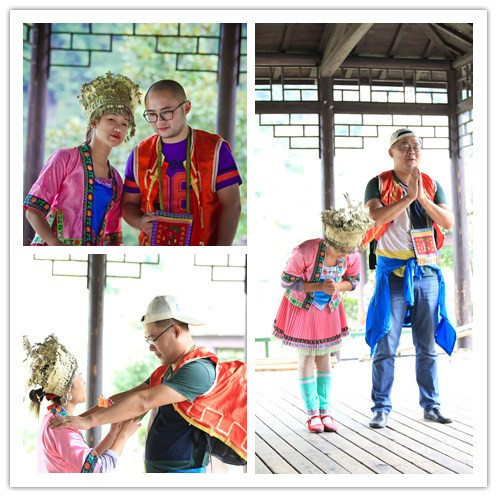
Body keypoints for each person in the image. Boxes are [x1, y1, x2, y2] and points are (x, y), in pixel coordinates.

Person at [49, 295, 247, 473]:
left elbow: (143, 401)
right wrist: (76, 419)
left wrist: (87, 422)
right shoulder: (168, 370)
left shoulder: (198, 370)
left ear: (175, 331)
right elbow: (124, 397)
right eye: (148, 341)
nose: (151, 348)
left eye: (153, 339)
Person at [362, 128, 457, 429]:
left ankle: (432, 405)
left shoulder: (430, 183)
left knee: (426, 345)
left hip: (425, 270)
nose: (411, 151)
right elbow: (375, 218)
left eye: (415, 146)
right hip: (392, 272)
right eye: (404, 146)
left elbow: (448, 221)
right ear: (391, 152)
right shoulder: (378, 183)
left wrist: (422, 199)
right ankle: (381, 408)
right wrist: (408, 198)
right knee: (386, 344)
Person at [272, 201, 372, 433]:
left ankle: (326, 410)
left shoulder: (351, 255)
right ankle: (312, 413)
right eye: (340, 251)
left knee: (325, 358)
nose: (344, 255)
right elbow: (286, 281)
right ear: (328, 241)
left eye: (348, 251)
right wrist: (318, 286)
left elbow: (353, 281)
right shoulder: (304, 251)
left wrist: (337, 286)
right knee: (306, 358)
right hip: (303, 307)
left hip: (328, 308)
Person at [24, 72, 141, 246]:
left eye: (124, 123)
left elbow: (113, 237)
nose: (118, 127)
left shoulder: (116, 179)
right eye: (111, 119)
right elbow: (33, 211)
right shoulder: (65, 159)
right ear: (94, 122)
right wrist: (56, 245)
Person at [122, 79, 242, 246]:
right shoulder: (139, 155)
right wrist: (140, 222)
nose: (159, 121)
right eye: (152, 114)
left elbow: (232, 205)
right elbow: (128, 204)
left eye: (167, 112)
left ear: (186, 107)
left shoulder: (215, 149)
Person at [24, 334, 140, 472]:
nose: (84, 382)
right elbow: (97, 470)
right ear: (67, 391)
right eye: (80, 377)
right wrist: (123, 436)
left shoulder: (53, 418)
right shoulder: (61, 427)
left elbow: (87, 464)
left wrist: (113, 433)